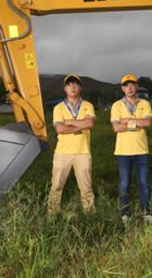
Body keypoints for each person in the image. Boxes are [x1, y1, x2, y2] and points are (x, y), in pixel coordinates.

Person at [46, 74, 96, 215]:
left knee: (86, 188)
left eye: (75, 84)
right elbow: (60, 129)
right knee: (56, 186)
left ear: (80, 87)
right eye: (69, 84)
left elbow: (90, 123)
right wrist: (81, 124)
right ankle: (52, 215)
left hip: (83, 152)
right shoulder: (58, 108)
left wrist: (69, 122)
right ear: (65, 88)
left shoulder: (88, 106)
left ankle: (90, 215)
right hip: (62, 153)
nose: (72, 87)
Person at [110, 74, 152, 224]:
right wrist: (136, 122)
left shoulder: (145, 103)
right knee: (124, 184)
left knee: (144, 183)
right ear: (122, 88)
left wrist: (127, 121)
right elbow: (116, 127)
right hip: (123, 152)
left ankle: (146, 212)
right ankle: (125, 214)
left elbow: (148, 123)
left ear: (136, 87)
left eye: (132, 84)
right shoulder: (117, 105)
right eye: (126, 85)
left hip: (141, 150)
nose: (129, 88)